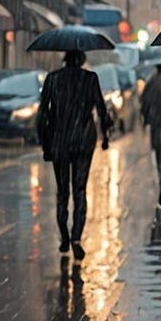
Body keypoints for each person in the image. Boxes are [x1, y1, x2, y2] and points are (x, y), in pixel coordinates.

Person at [37, 50, 112, 261]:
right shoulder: (90, 79)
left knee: (62, 192)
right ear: (81, 60)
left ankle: (64, 236)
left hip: (60, 143)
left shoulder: (53, 79)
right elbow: (102, 110)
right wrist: (106, 135)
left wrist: (46, 144)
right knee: (79, 190)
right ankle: (76, 238)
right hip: (82, 142)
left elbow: (42, 114)